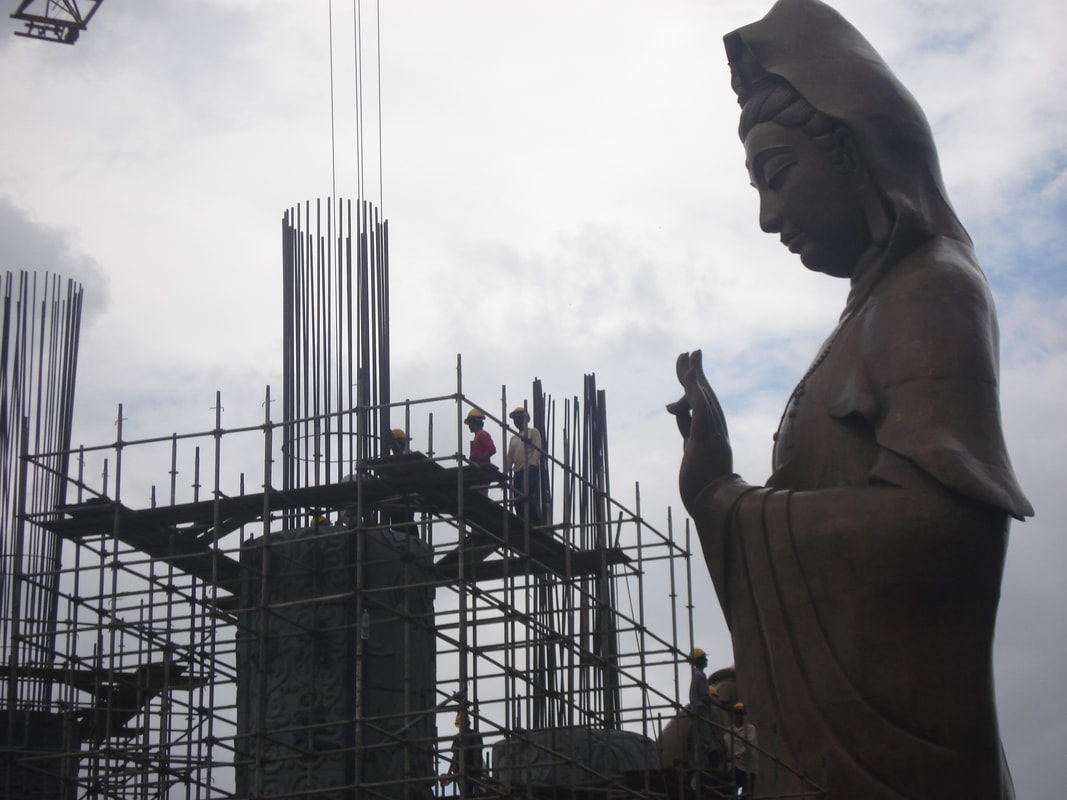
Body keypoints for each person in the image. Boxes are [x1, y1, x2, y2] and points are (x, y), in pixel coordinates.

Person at [668, 2, 1032, 798]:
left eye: (778, 175)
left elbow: (945, 532)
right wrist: (725, 490)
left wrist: (723, 502)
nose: (767, 218)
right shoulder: (873, 309)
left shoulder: (930, 289)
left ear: (853, 152)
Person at [504, 406, 543, 525]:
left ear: (525, 419)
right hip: (518, 472)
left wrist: (533, 464)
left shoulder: (533, 432)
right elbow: (509, 458)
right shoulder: (514, 438)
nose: (516, 422)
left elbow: (537, 449)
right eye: (515, 420)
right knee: (518, 501)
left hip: (529, 469)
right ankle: (523, 522)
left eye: (518, 419)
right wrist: (504, 474)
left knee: (529, 499)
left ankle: (534, 524)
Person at [441, 711, 484, 797]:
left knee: (469, 794)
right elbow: (454, 757)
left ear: (468, 723)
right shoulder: (457, 738)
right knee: (464, 794)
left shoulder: (474, 736)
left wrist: (476, 770)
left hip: (470, 770)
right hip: (459, 771)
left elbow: (478, 755)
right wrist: (449, 773)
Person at [726, 702, 757, 800]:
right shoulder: (729, 731)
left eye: (741, 713)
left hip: (748, 766)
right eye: (737, 713)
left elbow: (750, 745)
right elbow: (727, 746)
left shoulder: (750, 729)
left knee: (747, 794)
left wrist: (738, 754)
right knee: (732, 792)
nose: (739, 716)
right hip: (735, 767)